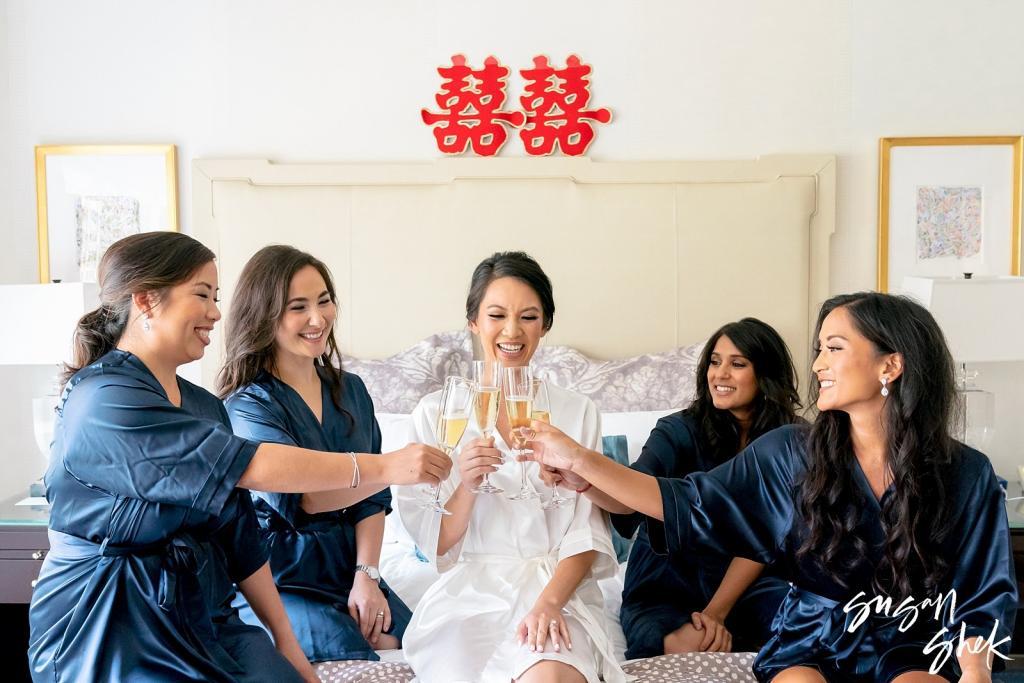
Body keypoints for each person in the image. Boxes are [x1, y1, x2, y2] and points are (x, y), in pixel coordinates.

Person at [522, 292, 1016, 682]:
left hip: (912, 641)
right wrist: (582, 462)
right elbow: (686, 503)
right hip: (811, 637)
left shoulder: (966, 473)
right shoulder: (788, 453)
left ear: (890, 365)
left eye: (834, 349)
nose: (819, 364)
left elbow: (983, 596)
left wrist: (974, 672)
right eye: (819, 349)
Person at [28, 233, 450, 683]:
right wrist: (385, 466)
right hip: (112, 618)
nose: (215, 312)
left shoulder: (202, 406)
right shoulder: (105, 398)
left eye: (216, 297)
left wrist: (283, 641)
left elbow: (239, 536)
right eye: (202, 295)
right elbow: (252, 466)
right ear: (147, 301)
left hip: (203, 614)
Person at [396, 251, 626, 683]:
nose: (512, 331)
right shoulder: (437, 414)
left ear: (545, 325)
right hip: (470, 595)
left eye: (529, 317)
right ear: (474, 322)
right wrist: (466, 484)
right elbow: (438, 544)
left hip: (557, 588)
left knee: (551, 676)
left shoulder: (577, 412)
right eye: (497, 315)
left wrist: (550, 603)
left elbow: (588, 532)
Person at [554, 318, 799, 659]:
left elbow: (764, 536)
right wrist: (586, 482)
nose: (720, 374)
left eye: (737, 364)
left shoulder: (792, 442)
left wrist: (716, 612)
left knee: (809, 626)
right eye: (714, 362)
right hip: (667, 580)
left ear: (766, 374)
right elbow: (631, 499)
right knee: (689, 645)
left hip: (749, 584)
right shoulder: (678, 430)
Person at [219, 245, 412, 662]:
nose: (318, 318)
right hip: (281, 577)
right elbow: (305, 498)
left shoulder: (352, 389)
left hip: (348, 567)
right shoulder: (248, 406)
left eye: (324, 301)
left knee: (410, 640)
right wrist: (391, 468)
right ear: (264, 316)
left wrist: (367, 575)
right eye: (298, 307)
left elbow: (372, 500)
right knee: (351, 651)